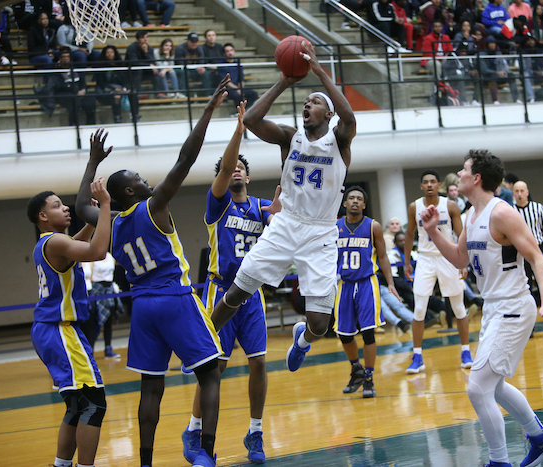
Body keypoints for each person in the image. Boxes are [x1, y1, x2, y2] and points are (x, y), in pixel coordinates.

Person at [76, 78, 231, 467]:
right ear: (130, 192)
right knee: (210, 374)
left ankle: (145, 463)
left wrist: (93, 163)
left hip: (142, 308)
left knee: (151, 387)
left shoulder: (108, 225)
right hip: (176, 298)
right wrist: (208, 111)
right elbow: (186, 159)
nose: (146, 182)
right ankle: (206, 454)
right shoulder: (154, 205)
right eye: (138, 180)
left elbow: (81, 207)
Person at [206, 41, 356, 374]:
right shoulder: (290, 138)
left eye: (315, 102)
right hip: (286, 224)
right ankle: (201, 345)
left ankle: (302, 339)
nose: (307, 105)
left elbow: (349, 116)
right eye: (305, 102)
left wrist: (318, 72)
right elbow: (254, 119)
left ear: (328, 115)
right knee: (235, 293)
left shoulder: (340, 141)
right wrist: (285, 81)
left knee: (319, 324)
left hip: (320, 233)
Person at [420, 149, 543, 467]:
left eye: (464, 169)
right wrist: (432, 233)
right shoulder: (471, 215)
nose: (459, 173)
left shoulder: (503, 213)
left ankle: (499, 462)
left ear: (477, 177)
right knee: (493, 387)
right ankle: (541, 437)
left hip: (514, 306)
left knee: (477, 388)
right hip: (494, 308)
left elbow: (537, 258)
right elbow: (460, 259)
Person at [181, 101, 280, 465]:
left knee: (258, 363)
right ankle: (193, 429)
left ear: (249, 177)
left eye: (242, 168)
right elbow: (225, 166)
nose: (236, 170)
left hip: (250, 295)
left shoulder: (263, 207)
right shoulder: (217, 204)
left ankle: (254, 431)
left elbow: (287, 223)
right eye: (231, 168)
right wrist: (240, 130)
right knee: (215, 369)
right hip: (219, 290)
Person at [27, 176, 111, 467]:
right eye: (57, 205)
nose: (66, 209)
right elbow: (97, 252)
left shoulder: (49, 243)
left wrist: (90, 221)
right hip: (60, 330)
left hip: (49, 330)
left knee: (77, 406)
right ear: (42, 216)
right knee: (93, 403)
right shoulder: (56, 241)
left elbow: (77, 244)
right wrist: (105, 209)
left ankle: (61, 465)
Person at [404, 169, 474, 372]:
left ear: (438, 184)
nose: (429, 185)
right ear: (421, 186)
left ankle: (466, 351)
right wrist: (408, 262)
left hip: (448, 257)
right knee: (419, 309)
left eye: (433, 182)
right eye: (425, 182)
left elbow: (461, 234)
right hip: (425, 258)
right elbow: (409, 235)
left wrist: (464, 262)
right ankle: (417, 357)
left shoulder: (449, 205)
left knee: (459, 307)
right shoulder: (414, 207)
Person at [335, 186, 401, 398]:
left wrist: (390, 283)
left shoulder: (374, 226)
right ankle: (356, 369)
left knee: (368, 332)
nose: (355, 201)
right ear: (344, 203)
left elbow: (382, 256)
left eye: (359, 199)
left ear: (364, 205)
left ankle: (369, 377)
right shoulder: (335, 227)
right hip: (344, 284)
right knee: (343, 334)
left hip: (366, 283)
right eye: (351, 198)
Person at [512, 181, 543, 307]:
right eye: (517, 191)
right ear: (513, 193)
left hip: (538, 249)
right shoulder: (510, 210)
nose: (520, 194)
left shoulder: (538, 208)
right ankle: (528, 324)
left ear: (527, 192)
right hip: (519, 253)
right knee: (524, 288)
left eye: (522, 191)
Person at [84, 253, 124, 357]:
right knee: (95, 320)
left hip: (109, 288)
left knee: (109, 319)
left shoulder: (110, 256)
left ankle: (108, 348)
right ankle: (90, 351)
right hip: (97, 289)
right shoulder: (93, 257)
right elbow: (91, 275)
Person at [125, 31, 158, 122]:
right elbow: (134, 63)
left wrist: (146, 52)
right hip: (132, 73)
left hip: (145, 72)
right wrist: (148, 65)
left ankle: (159, 92)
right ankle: (138, 91)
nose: (145, 39)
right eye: (143, 38)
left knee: (157, 72)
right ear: (137, 40)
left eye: (146, 37)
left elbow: (153, 62)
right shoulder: (132, 48)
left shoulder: (149, 48)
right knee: (139, 69)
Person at [217, 43, 259, 109]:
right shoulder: (221, 65)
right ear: (224, 53)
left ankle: (244, 110)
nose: (230, 53)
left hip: (238, 87)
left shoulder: (238, 63)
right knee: (236, 95)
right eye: (227, 51)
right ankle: (240, 111)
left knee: (254, 94)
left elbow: (241, 79)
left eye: (231, 50)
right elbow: (226, 81)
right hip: (227, 88)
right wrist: (237, 89)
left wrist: (240, 88)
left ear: (234, 51)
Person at [94, 45, 128, 124]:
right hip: (105, 91)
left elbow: (125, 80)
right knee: (116, 96)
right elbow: (101, 82)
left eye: (112, 52)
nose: (110, 54)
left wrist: (125, 88)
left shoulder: (120, 65)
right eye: (108, 53)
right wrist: (114, 90)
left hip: (120, 89)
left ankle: (135, 116)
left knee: (133, 94)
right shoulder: (100, 67)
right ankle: (117, 117)